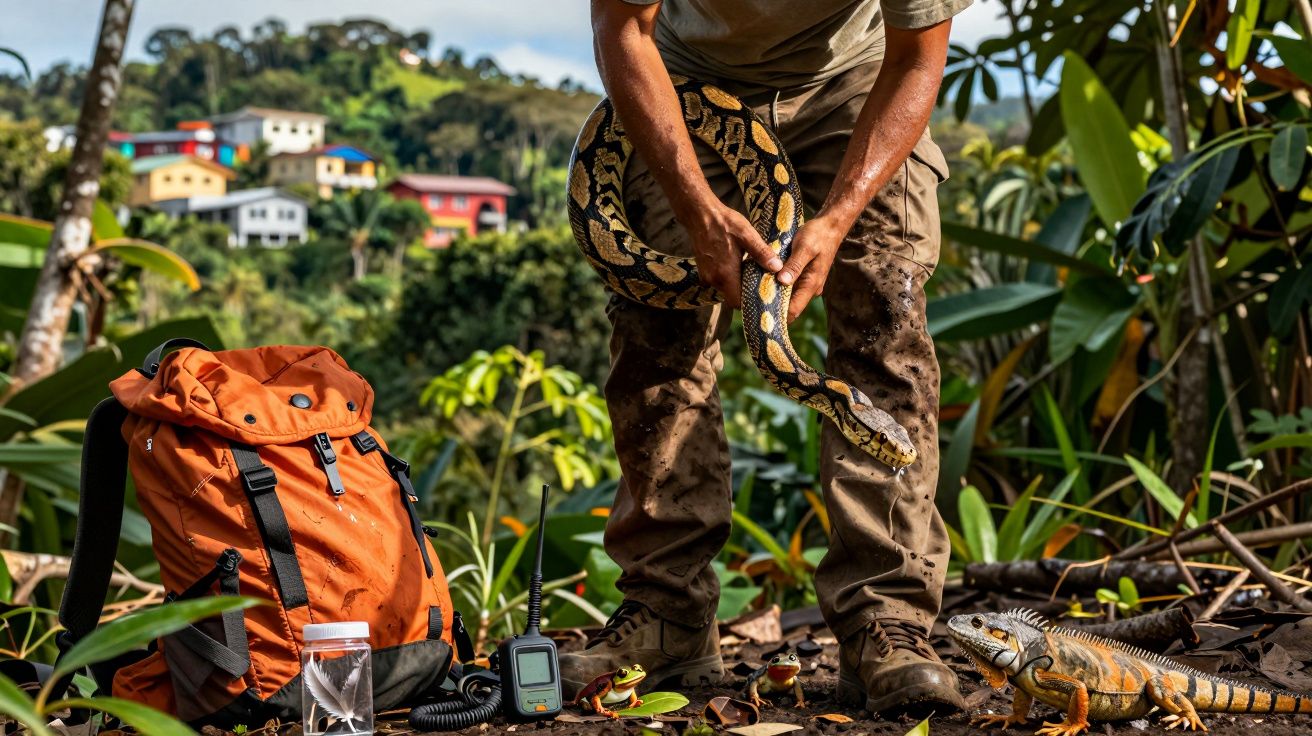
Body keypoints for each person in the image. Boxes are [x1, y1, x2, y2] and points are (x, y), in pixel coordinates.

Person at [560, 0, 967, 715]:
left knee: (885, 327)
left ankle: (888, 621)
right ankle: (667, 614)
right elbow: (622, 27)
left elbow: (916, 57)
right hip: (678, 77)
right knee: (660, 341)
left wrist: (838, 219)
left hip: (857, 82)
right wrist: (694, 206)